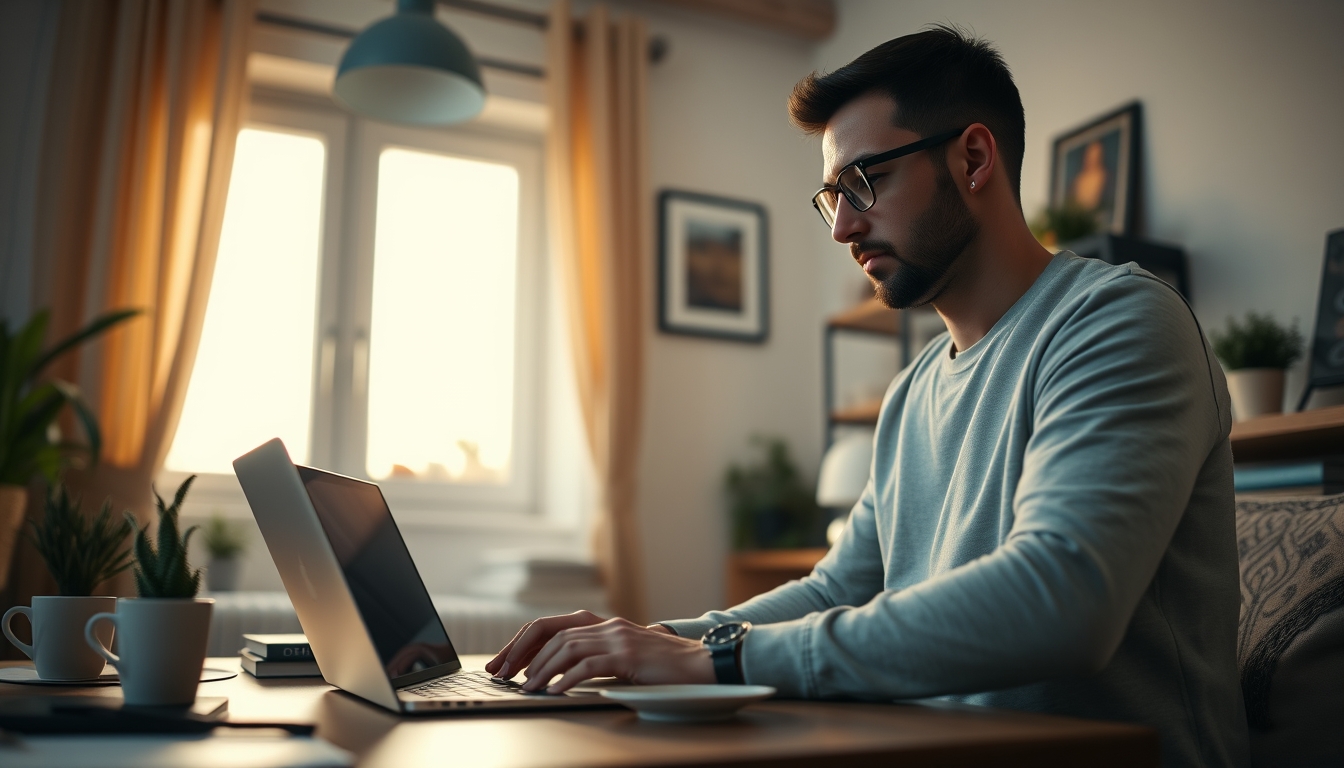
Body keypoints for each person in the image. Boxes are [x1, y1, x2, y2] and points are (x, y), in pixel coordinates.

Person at [487, 25, 1248, 768]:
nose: (843, 227)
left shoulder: (1116, 321)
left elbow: (1064, 598)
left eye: (863, 181)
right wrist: (646, 641)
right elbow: (839, 588)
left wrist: (715, 662)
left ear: (974, 157)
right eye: (831, 196)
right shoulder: (913, 390)